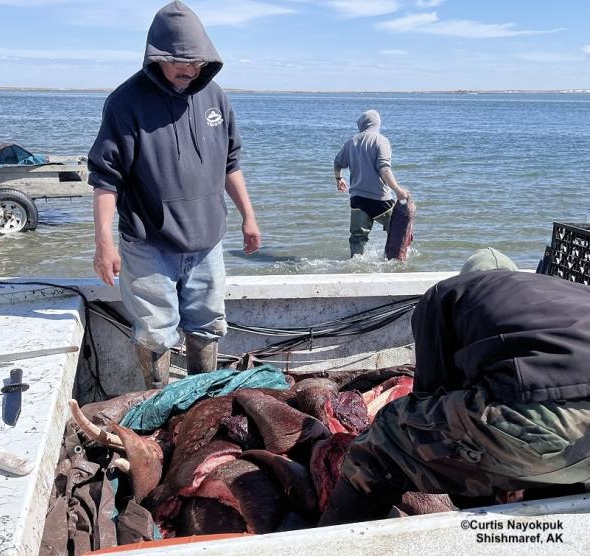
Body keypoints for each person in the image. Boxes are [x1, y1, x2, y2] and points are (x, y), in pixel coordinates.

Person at [320, 270, 590, 525]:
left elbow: (430, 396)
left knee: (383, 440)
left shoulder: (445, 293)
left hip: (548, 420)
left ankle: (334, 544)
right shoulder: (566, 291)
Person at [88, 1, 261, 390]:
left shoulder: (215, 97)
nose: (189, 71)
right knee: (154, 333)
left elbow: (230, 163)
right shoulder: (125, 102)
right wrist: (103, 243)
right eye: (179, 62)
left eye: (197, 63)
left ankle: (203, 398)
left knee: (208, 323)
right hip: (149, 244)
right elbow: (105, 179)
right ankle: (160, 400)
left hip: (207, 242)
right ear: (156, 57)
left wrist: (249, 217)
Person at [333, 110, 409, 257]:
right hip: (380, 200)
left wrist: (338, 179)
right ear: (377, 124)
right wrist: (398, 190)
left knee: (357, 239)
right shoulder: (381, 140)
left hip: (358, 199)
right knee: (398, 230)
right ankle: (393, 260)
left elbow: (337, 162)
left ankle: (355, 268)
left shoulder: (351, 142)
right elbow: (384, 169)